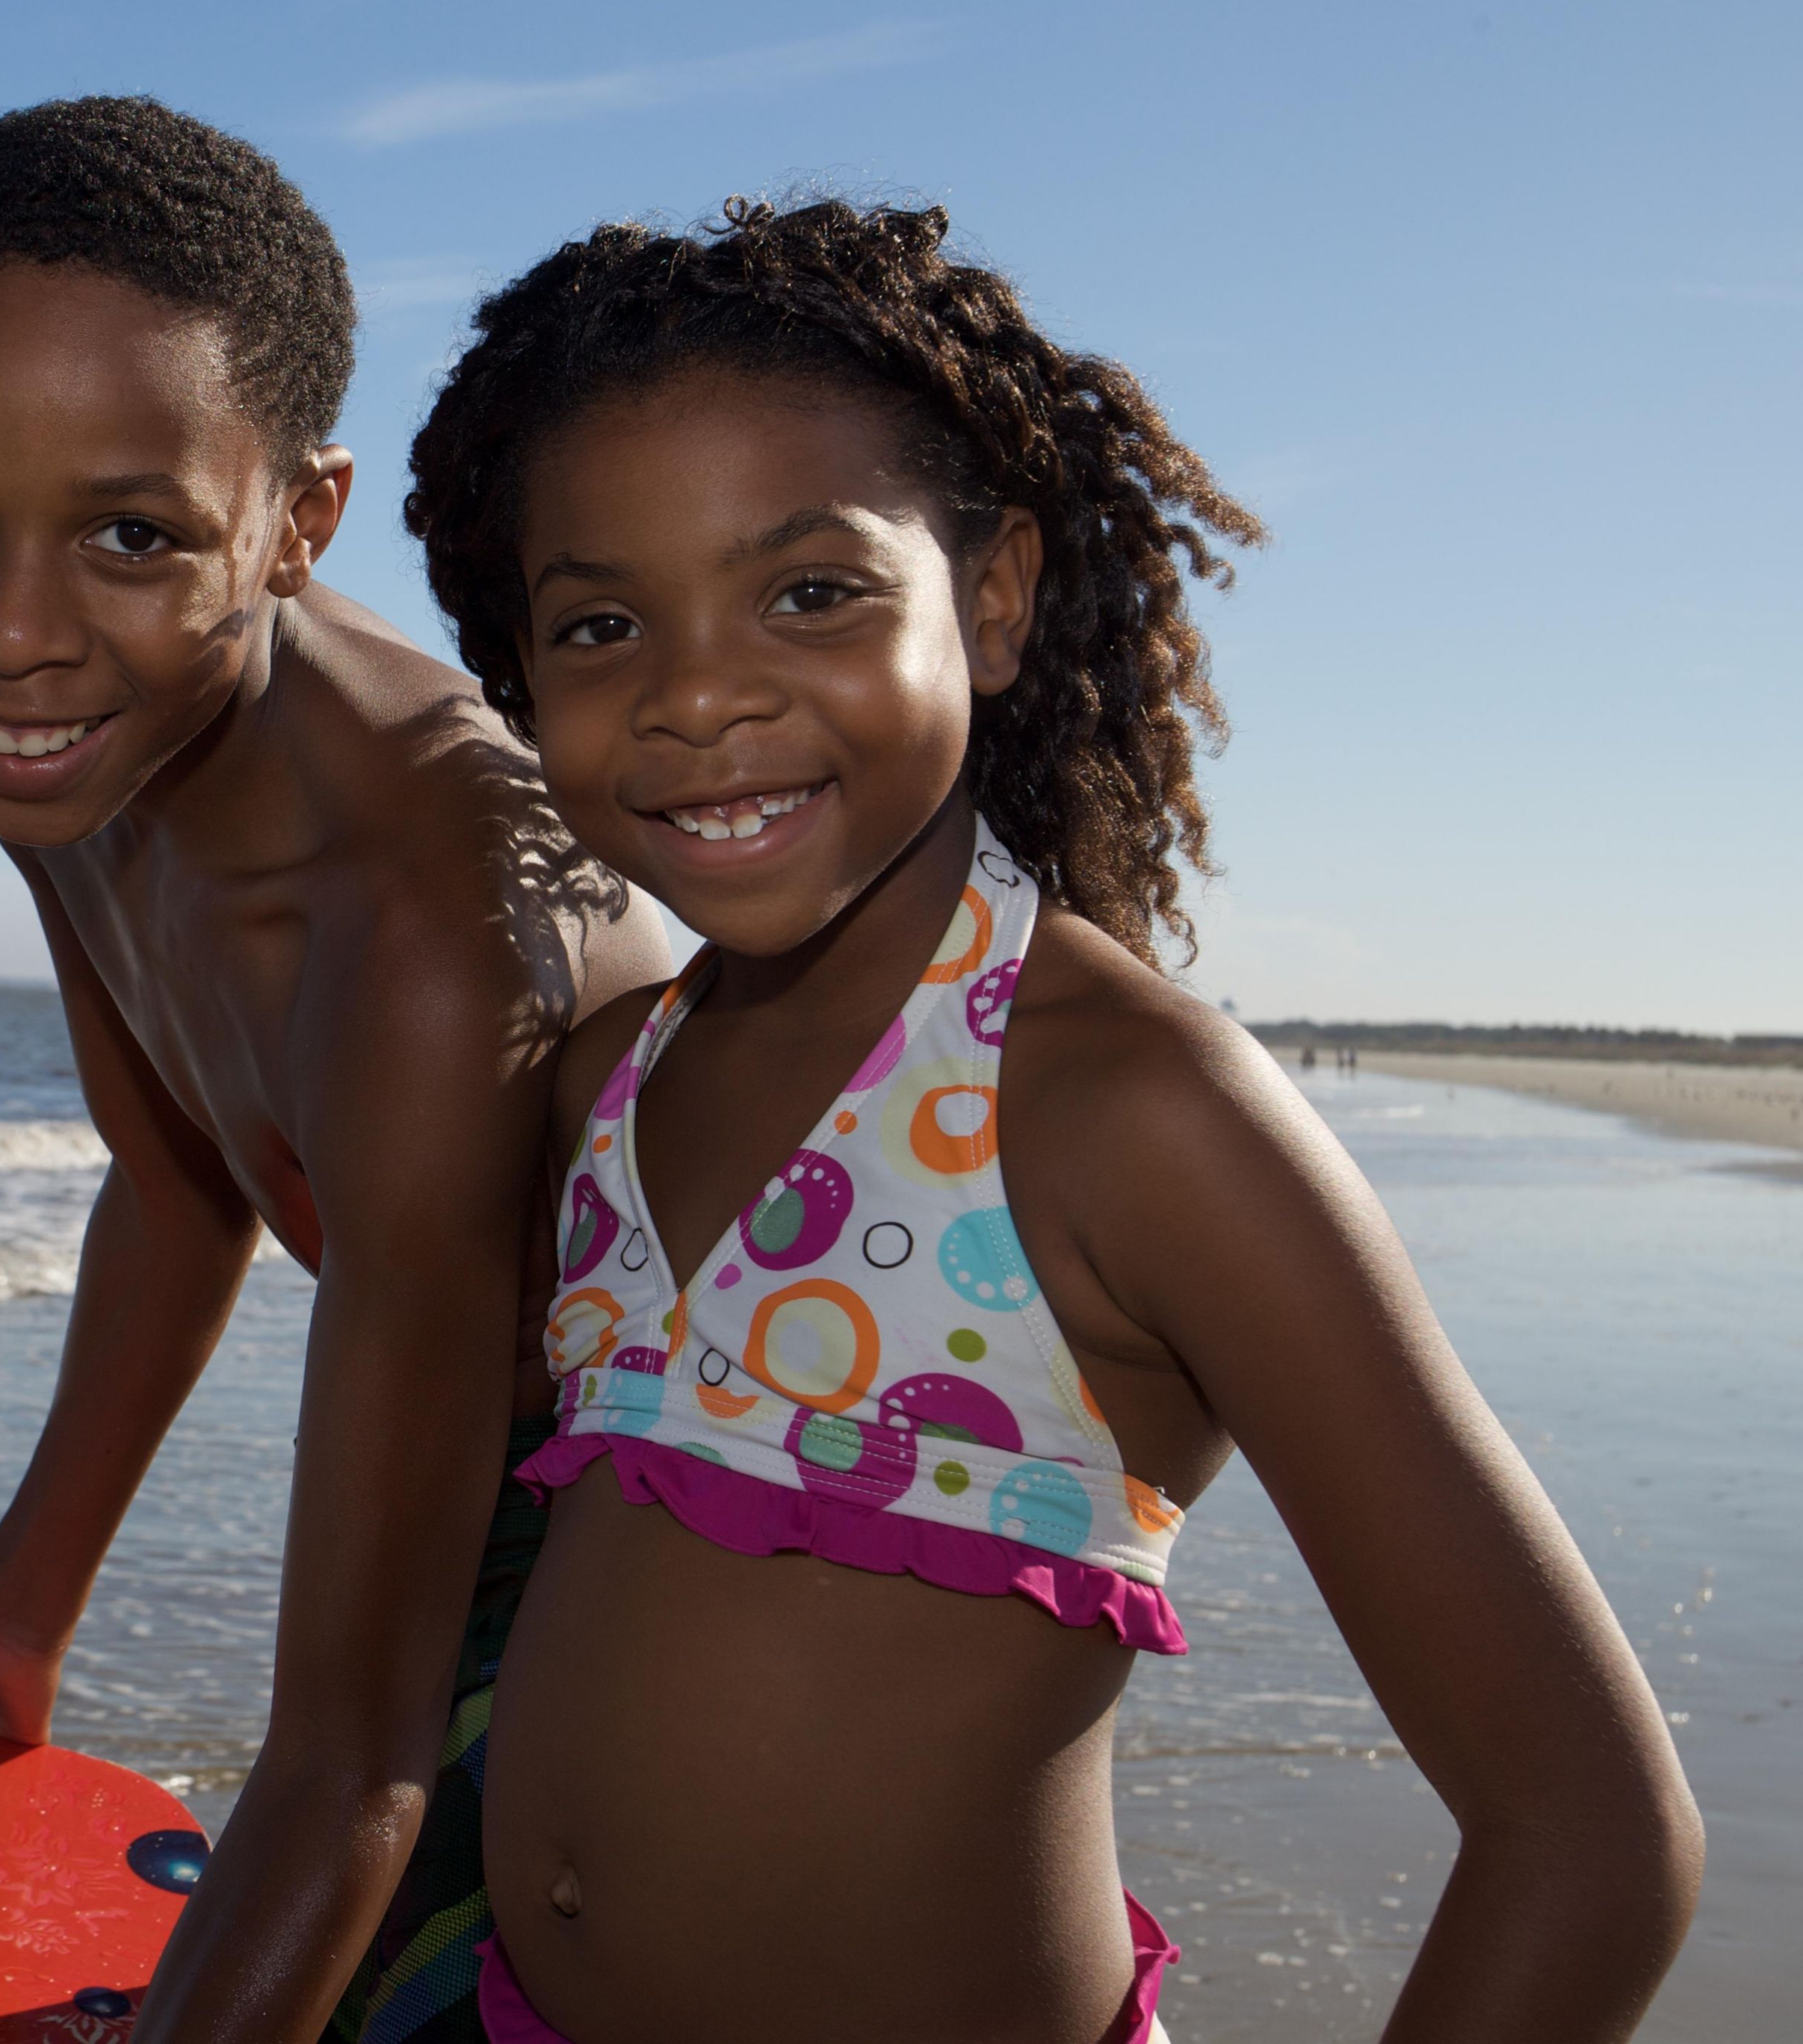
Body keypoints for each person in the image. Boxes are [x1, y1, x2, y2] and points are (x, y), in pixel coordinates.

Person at [406, 197, 1701, 2043]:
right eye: (600, 624)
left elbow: (1587, 1830)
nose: (696, 691)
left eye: (808, 592)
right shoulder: (614, 1083)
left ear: (992, 601)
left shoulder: (1122, 1108)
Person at [0, 97, 667, 2042]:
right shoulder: (72, 728)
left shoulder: (426, 933)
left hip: (693, 1537)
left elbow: (355, 1758)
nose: (14, 625)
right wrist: (25, 1592)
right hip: (471, 1475)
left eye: (134, 531)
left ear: (297, 522)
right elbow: (178, 1178)